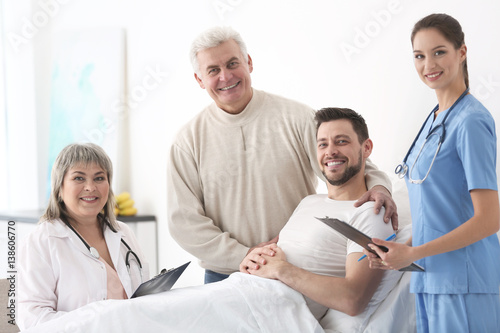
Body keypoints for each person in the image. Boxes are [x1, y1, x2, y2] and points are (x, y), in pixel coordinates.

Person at [168, 26, 398, 284]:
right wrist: (244, 255)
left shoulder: (297, 118)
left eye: (233, 63)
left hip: (293, 268)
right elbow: (184, 222)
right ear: (199, 80)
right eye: (213, 70)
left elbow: (346, 161)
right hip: (225, 275)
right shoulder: (187, 141)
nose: (226, 76)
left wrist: (380, 187)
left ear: (249, 63)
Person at [365, 13, 500, 332]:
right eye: (419, 56)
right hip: (431, 279)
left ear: (461, 52)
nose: (429, 65)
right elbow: (438, 212)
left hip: (465, 282)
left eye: (439, 52)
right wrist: (396, 253)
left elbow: (490, 217)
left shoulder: (470, 122)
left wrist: (414, 252)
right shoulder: (435, 119)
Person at [239, 107, 397, 321]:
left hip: (263, 314)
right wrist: (253, 261)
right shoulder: (309, 202)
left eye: (341, 141)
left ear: (366, 147)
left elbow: (353, 299)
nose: (330, 151)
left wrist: (281, 270)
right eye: (323, 144)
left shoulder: (372, 214)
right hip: (239, 291)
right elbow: (273, 251)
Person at [18, 143, 150, 330]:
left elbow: (142, 297)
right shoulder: (41, 242)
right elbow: (33, 319)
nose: (90, 187)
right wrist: (97, 322)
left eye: (99, 178)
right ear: (59, 188)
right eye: (79, 178)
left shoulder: (123, 232)